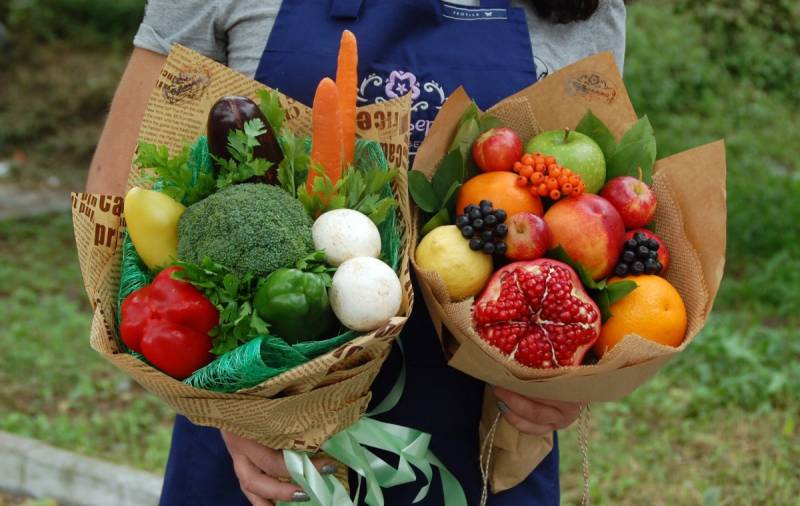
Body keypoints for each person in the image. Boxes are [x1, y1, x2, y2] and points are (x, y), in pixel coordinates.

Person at [86, 1, 626, 504]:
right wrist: (234, 405)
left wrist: (575, 375)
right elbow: (122, 206)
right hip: (260, 450)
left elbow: (594, 217)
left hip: (487, 437)